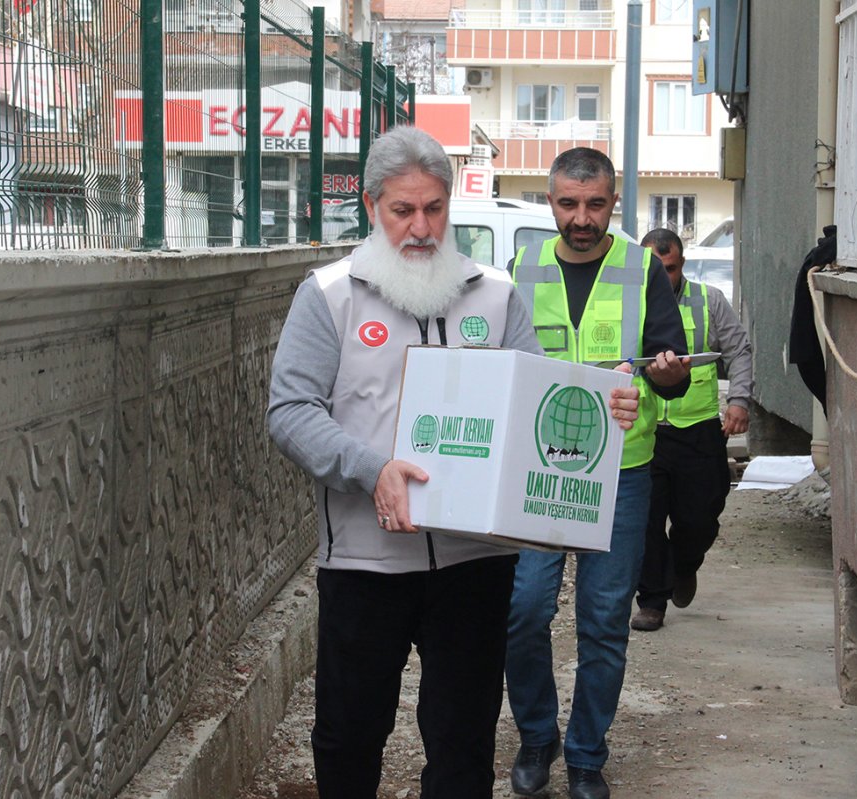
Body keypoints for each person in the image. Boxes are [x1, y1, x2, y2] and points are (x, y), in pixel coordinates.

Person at [267, 127, 640, 799]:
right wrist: (370, 466)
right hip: (364, 561)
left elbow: (536, 404)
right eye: (402, 210)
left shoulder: (494, 295)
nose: (420, 228)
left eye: (434, 208)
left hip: (474, 561)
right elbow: (290, 412)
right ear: (372, 206)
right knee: (350, 733)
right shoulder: (329, 296)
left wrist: (600, 407)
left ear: (450, 205)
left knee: (463, 739)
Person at [505, 147, 691, 799]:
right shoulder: (521, 268)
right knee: (524, 609)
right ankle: (536, 735)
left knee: (604, 617)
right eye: (566, 203)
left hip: (622, 469)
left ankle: (585, 754)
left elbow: (674, 371)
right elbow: (503, 368)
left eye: (594, 204)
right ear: (550, 201)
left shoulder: (643, 269)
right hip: (540, 466)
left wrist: (664, 374)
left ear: (614, 203)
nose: (580, 218)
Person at [629, 228, 753, 633]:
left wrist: (739, 401)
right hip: (646, 429)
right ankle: (652, 601)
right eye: (655, 269)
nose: (663, 278)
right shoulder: (628, 301)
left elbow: (738, 350)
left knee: (699, 518)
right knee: (646, 521)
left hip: (698, 430)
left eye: (671, 268)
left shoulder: (708, 301)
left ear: (682, 264)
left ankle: (684, 565)